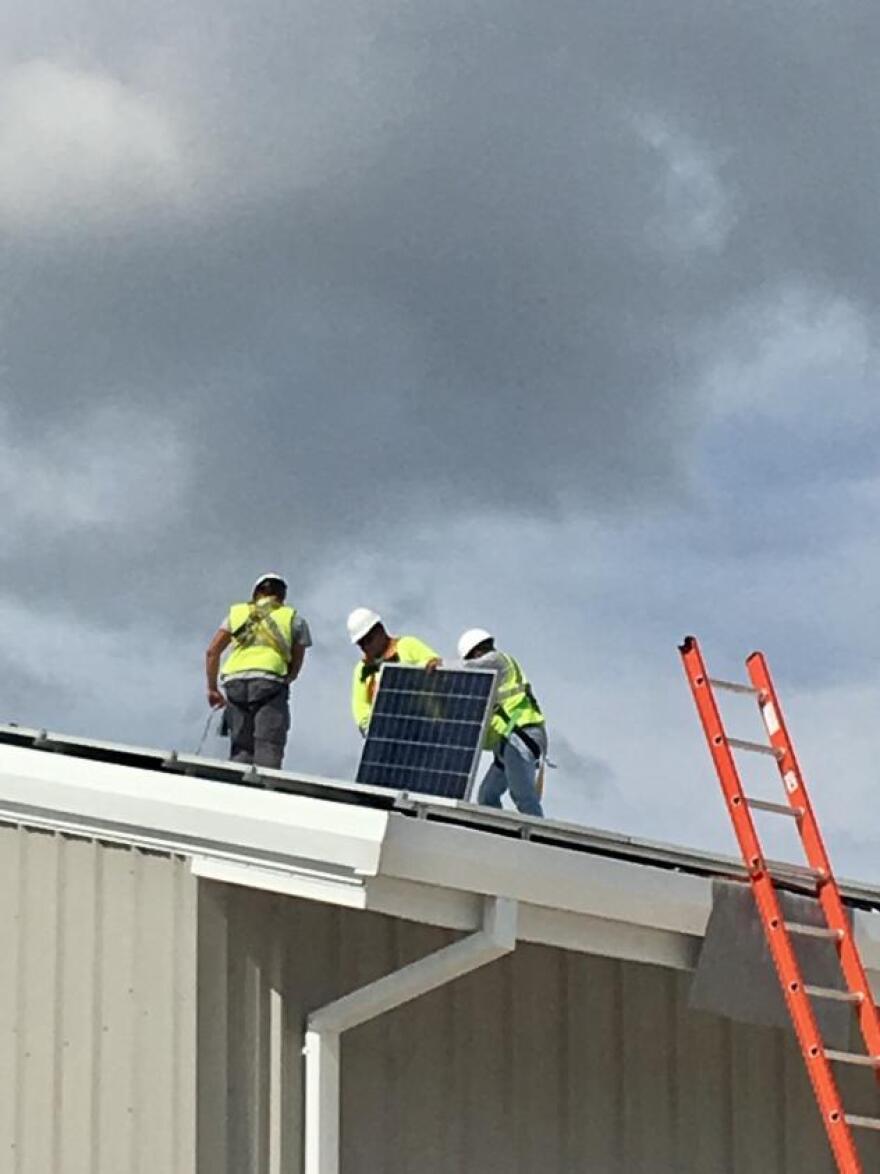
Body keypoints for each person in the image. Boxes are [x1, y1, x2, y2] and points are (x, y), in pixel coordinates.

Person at [205, 573, 311, 769]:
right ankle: (264, 793)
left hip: (234, 684)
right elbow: (297, 662)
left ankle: (240, 792)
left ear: (256, 593)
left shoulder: (236, 614)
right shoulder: (293, 619)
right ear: (282, 596)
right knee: (269, 747)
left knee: (240, 748)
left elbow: (212, 652)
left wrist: (212, 689)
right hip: (270, 682)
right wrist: (288, 679)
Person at [457, 628, 546, 818]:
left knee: (523, 796)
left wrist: (438, 666)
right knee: (487, 795)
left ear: (477, 652)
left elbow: (467, 669)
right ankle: (502, 835)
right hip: (507, 742)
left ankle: (537, 840)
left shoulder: (496, 660)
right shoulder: (492, 681)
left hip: (522, 734)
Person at [348, 607, 440, 734]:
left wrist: (429, 666)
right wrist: (375, 729)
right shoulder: (362, 670)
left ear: (380, 630)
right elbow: (361, 707)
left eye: (368, 640)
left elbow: (433, 663)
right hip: (393, 735)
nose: (365, 647)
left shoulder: (407, 645)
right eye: (361, 644)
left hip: (428, 725)